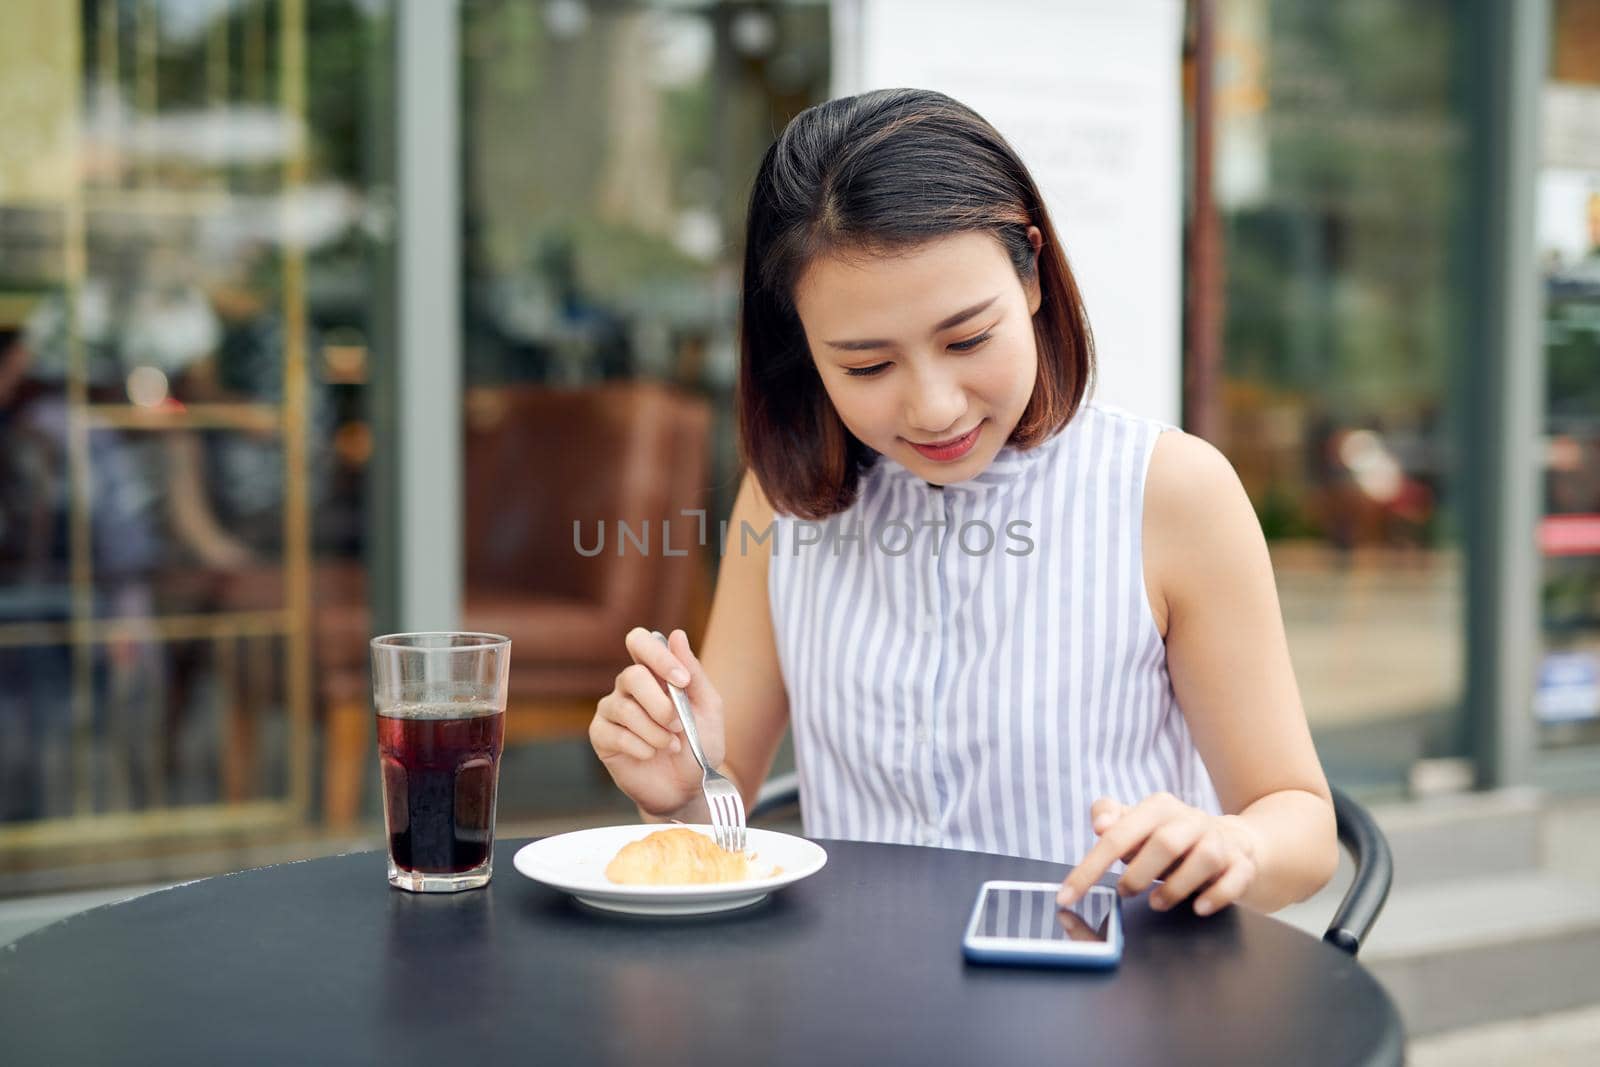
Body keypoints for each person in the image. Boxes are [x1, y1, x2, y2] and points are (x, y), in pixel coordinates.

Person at [589, 89, 1337, 918]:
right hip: (863, 1009)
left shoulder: (1170, 492)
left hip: (1108, 1009)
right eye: (867, 367)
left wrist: (1235, 844)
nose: (934, 407)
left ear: (1032, 274)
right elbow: (724, 818)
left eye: (968, 338)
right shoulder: (784, 502)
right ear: (801, 346)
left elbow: (1300, 824)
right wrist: (679, 796)